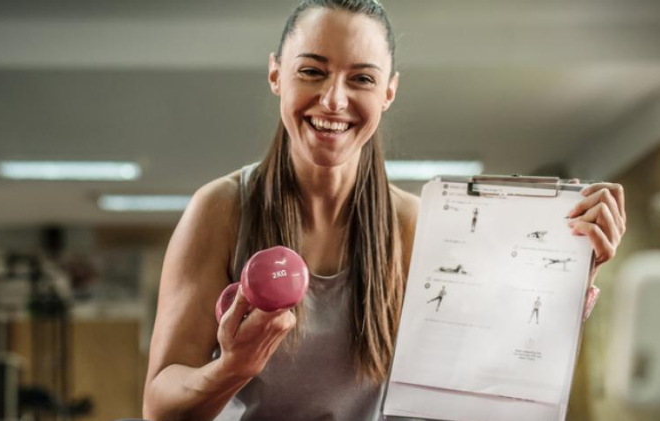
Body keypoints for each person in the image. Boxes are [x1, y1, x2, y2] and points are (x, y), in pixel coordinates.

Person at [143, 1, 627, 420]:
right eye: (312, 70)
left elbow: (490, 381)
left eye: (362, 78)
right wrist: (232, 369)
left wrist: (567, 276)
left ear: (388, 91)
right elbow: (161, 406)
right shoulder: (223, 209)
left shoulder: (420, 224)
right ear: (276, 74)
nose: (334, 99)